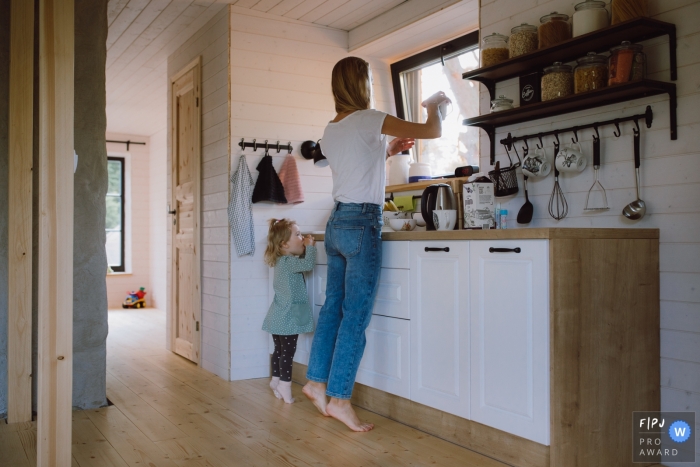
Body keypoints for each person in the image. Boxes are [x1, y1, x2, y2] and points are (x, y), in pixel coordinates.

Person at [302, 56, 450, 431]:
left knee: (333, 308)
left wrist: (387, 150)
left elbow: (355, 164)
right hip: (362, 224)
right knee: (355, 315)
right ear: (361, 83)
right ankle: (340, 399)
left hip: (336, 224)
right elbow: (433, 129)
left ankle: (316, 382)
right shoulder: (370, 118)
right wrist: (434, 103)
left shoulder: (331, 128)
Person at [263, 218, 316, 404]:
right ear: (284, 244)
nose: (302, 238)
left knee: (278, 350)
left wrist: (304, 246)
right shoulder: (288, 262)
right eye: (298, 234)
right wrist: (311, 247)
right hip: (287, 317)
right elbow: (308, 264)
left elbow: (301, 262)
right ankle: (285, 385)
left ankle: (276, 380)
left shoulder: (282, 261)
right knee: (288, 352)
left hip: (277, 315)